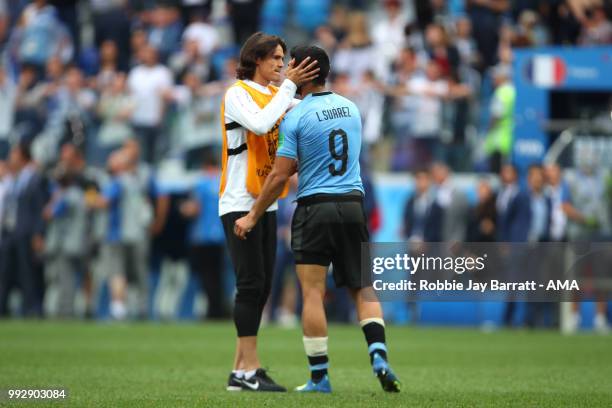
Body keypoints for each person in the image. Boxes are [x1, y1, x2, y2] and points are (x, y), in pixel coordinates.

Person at [234, 45, 401, 393]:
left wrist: (252, 214)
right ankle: (379, 355)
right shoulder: (351, 108)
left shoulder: (296, 116)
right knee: (362, 286)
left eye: (290, 63)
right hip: (354, 204)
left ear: (302, 70)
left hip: (315, 207)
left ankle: (319, 378)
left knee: (312, 292)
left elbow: (280, 176)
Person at [218, 32, 319, 392]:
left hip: (266, 200)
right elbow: (261, 123)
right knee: (250, 284)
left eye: (283, 58)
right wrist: (290, 88)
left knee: (262, 287)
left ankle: (239, 371)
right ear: (256, 60)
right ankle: (249, 372)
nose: (281, 64)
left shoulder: (279, 95)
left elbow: (305, 114)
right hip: (237, 201)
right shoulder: (237, 93)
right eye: (275, 58)